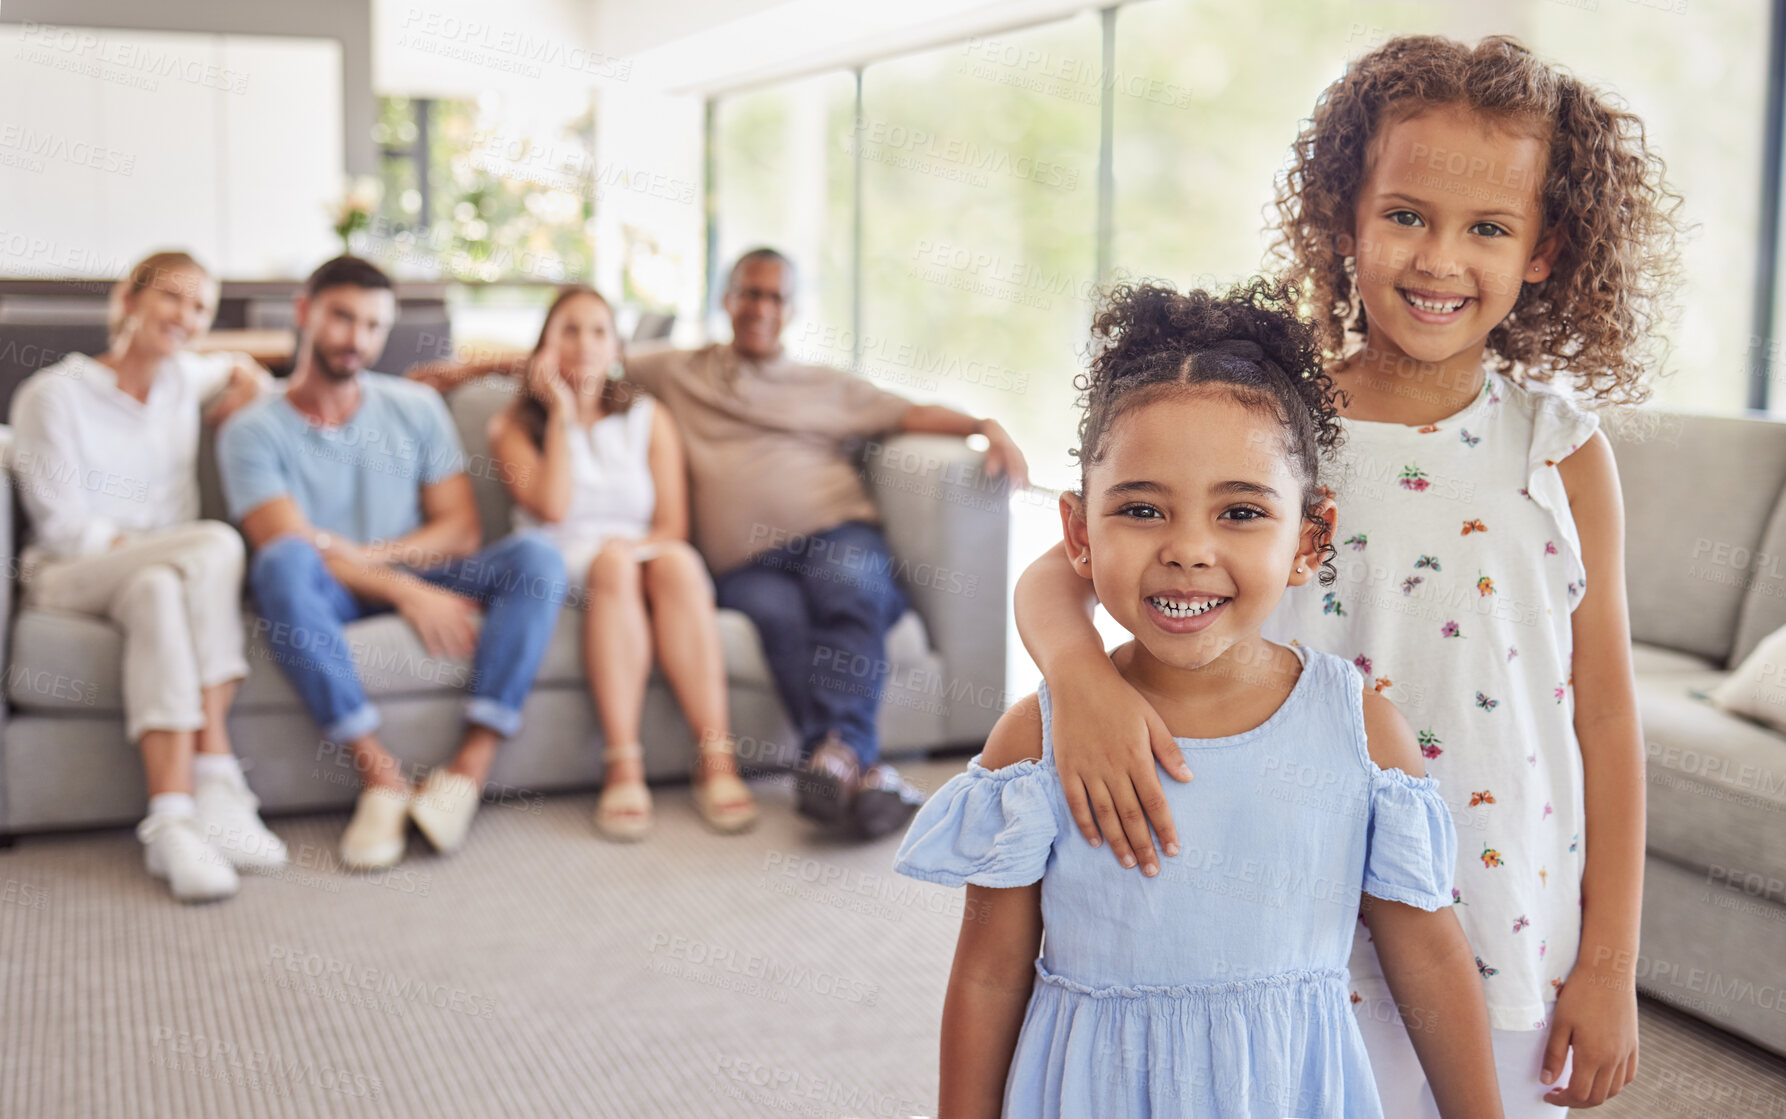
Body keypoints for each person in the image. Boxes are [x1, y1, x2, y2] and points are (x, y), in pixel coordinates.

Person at [1012, 35, 1682, 1115]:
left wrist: (1609, 966)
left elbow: (1602, 713)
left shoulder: (1559, 451)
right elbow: (1060, 574)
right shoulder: (1274, 430)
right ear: (1344, 219)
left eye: (1488, 230)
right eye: (1406, 214)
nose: (1438, 260)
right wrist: (1082, 684)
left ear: (1544, 250)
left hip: (1505, 908)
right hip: (1289, 920)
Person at [895, 279, 1503, 1118]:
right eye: (1142, 509)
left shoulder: (1358, 730)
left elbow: (1429, 957)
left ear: (1309, 539)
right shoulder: (1034, 740)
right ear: (1078, 534)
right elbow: (990, 972)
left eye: (1242, 511)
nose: (1188, 549)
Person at [416, 248, 1031, 840]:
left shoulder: (820, 384)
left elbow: (909, 413)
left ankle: (835, 758)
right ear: (726, 300)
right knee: (776, 618)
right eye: (749, 293)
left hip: (831, 534)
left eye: (775, 297)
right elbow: (570, 357)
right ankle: (840, 766)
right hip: (745, 564)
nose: (761, 307)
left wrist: (983, 425)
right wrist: (467, 369)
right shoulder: (678, 370)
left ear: (790, 309)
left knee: (848, 587)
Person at [217, 256, 566, 870]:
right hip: (325, 587)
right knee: (282, 565)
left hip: (402, 565)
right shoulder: (250, 429)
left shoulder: (414, 407)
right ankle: (381, 779)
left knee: (537, 554)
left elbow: (459, 531)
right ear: (305, 312)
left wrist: (380, 562)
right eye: (342, 318)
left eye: (374, 325)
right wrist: (405, 593)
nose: (357, 339)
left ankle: (466, 774)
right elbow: (288, 541)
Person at [10, 250, 282, 903]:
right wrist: (153, 546)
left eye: (200, 308)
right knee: (214, 544)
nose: (186, 317)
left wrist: (251, 383)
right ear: (129, 299)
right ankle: (216, 769)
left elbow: (245, 366)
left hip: (155, 572)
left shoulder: (186, 381)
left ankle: (172, 821)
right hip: (70, 570)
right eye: (173, 298)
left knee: (161, 589)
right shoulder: (55, 395)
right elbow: (62, 526)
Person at [480, 286, 757, 839]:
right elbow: (553, 508)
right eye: (569, 331)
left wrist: (631, 550)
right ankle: (623, 761)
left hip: (638, 554)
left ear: (616, 349)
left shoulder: (648, 418)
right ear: (545, 346)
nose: (584, 344)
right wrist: (561, 411)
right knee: (612, 566)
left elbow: (672, 525)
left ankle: (715, 756)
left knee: (677, 562)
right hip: (561, 564)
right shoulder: (512, 426)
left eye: (598, 332)